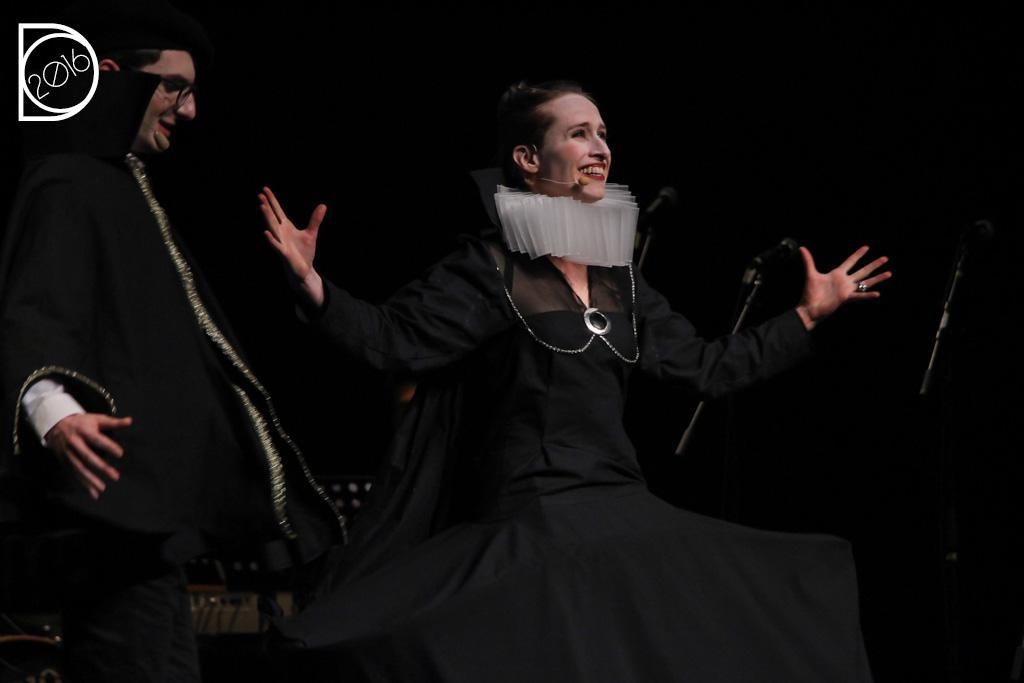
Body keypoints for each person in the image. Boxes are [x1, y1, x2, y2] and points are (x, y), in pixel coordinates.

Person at [258, 81, 890, 681]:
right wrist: (313, 286)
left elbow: (706, 368)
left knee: (796, 583)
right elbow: (393, 340)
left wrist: (806, 316)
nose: (600, 147)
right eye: (580, 133)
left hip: (618, 505)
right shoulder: (491, 267)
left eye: (604, 133)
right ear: (528, 159)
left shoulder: (620, 280)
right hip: (532, 512)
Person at [0, 2, 341, 680]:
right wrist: (55, 412)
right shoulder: (69, 177)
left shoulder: (117, 184)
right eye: (174, 88)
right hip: (111, 519)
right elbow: (36, 305)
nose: (189, 111)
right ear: (112, 76)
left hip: (143, 525)